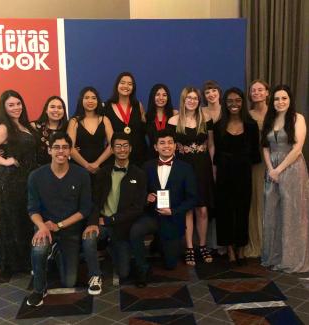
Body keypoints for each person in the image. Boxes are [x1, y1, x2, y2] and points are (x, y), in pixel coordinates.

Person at [26, 132, 92, 306]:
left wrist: (59, 225)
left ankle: (56, 252)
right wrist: (42, 227)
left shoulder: (81, 175)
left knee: (69, 282)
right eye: (56, 147)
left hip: (70, 230)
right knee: (39, 249)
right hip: (45, 228)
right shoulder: (36, 176)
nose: (60, 151)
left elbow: (85, 210)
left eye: (65, 147)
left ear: (70, 150)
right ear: (49, 150)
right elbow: (32, 209)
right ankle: (39, 290)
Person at [130, 129, 197, 287]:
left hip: (172, 218)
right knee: (135, 231)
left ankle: (159, 242)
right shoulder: (146, 167)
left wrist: (173, 211)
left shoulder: (186, 168)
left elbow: (193, 198)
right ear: (155, 147)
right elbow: (138, 191)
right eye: (162, 143)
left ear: (175, 146)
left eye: (169, 142)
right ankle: (142, 268)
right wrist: (146, 197)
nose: (166, 146)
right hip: (152, 216)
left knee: (170, 264)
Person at [82, 132, 146, 285]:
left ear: (130, 148)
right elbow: (95, 201)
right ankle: (95, 275)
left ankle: (112, 247)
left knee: (124, 273)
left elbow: (137, 208)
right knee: (89, 238)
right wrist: (92, 222)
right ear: (112, 149)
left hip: (121, 226)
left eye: (125, 146)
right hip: (102, 223)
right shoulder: (103, 172)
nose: (122, 149)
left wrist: (111, 220)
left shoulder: (139, 174)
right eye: (118, 146)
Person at [0, 90, 37, 273]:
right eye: (11, 105)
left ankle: (28, 259)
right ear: (4, 108)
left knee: (26, 219)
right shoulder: (4, 128)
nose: (16, 108)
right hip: (12, 182)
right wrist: (5, 161)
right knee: (15, 220)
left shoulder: (25, 125)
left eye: (18, 103)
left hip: (28, 180)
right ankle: (17, 264)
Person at [261, 84, 309, 273]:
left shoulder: (298, 119)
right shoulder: (270, 118)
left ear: (290, 100)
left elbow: (297, 149)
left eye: (284, 98)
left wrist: (279, 169)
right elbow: (265, 146)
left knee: (292, 214)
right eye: (276, 99)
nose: (280, 102)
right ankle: (274, 256)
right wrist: (271, 169)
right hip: (272, 169)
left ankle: (292, 259)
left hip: (292, 168)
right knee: (272, 213)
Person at [168, 86, 215, 266]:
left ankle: (202, 245)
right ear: (183, 100)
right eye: (189, 98)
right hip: (183, 169)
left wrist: (213, 167)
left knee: (202, 209)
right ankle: (189, 247)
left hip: (203, 167)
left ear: (199, 101)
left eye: (195, 98)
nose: (192, 101)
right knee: (187, 208)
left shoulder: (206, 118)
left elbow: (211, 145)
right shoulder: (174, 121)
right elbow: (169, 147)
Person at [213, 87, 260, 265]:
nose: (234, 104)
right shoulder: (218, 126)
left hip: (243, 174)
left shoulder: (251, 125)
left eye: (238, 100)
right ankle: (230, 249)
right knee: (224, 212)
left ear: (243, 102)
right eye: (230, 101)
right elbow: (216, 154)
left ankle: (241, 248)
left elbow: (255, 154)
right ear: (225, 103)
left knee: (242, 211)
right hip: (224, 175)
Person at [244, 80, 270, 258]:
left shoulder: (276, 114)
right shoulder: (248, 115)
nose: (257, 93)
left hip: (276, 163)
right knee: (256, 203)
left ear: (267, 92)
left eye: (261, 89)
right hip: (255, 165)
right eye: (254, 90)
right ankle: (258, 244)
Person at [67, 87, 113, 178]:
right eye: (86, 98)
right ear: (81, 100)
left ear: (98, 101)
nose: (90, 101)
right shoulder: (74, 121)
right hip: (79, 168)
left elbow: (113, 145)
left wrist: (97, 163)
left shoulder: (105, 119)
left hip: (102, 167)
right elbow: (70, 148)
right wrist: (87, 166)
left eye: (93, 98)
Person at [104, 72, 147, 166]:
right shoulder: (106, 107)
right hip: (116, 158)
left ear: (133, 88)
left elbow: (147, 126)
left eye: (130, 84)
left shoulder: (138, 105)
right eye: (122, 82)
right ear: (117, 85)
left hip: (139, 157)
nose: (126, 86)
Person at [201, 80, 224, 254]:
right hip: (207, 160)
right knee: (208, 202)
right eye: (208, 91)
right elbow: (209, 143)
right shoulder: (201, 112)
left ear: (219, 92)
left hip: (227, 159)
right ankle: (207, 242)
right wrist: (211, 165)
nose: (211, 94)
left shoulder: (227, 111)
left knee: (222, 201)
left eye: (214, 90)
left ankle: (222, 242)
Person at [31, 96, 68, 166]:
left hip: (62, 169)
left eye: (59, 107)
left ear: (64, 111)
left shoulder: (68, 128)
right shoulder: (34, 126)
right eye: (52, 107)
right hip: (38, 170)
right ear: (46, 110)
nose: (56, 110)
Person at [146, 84, 178, 158]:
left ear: (168, 98)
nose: (161, 98)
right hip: (151, 156)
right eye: (157, 95)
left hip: (171, 155)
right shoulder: (146, 117)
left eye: (164, 95)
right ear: (152, 97)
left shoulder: (175, 115)